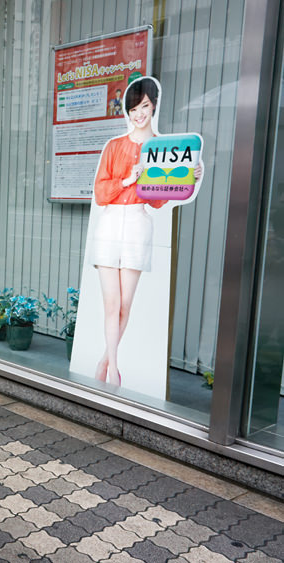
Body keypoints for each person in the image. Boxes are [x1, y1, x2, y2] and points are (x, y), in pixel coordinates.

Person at [90, 77, 200, 386]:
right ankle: (113, 369)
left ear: (154, 108)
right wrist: (127, 179)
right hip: (111, 222)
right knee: (111, 302)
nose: (140, 114)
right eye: (135, 108)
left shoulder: (160, 149)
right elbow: (101, 193)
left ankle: (105, 359)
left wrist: (189, 175)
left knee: (125, 305)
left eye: (145, 107)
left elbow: (158, 199)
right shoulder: (114, 147)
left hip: (138, 223)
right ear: (128, 111)